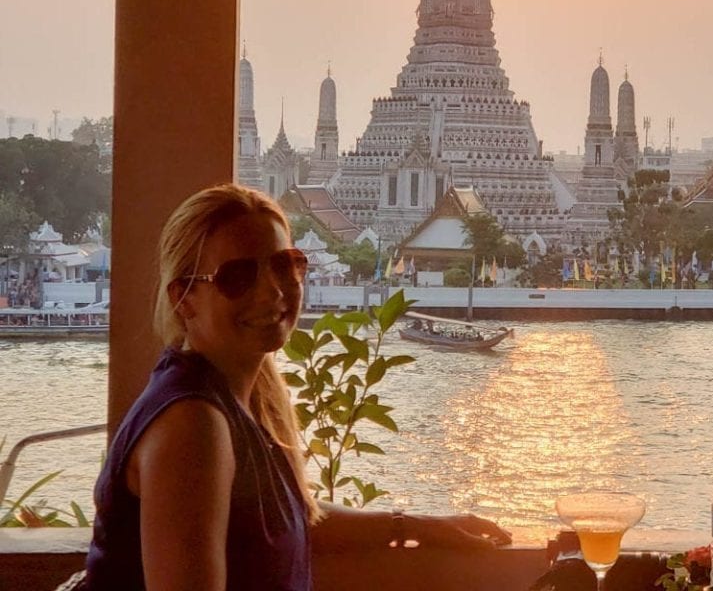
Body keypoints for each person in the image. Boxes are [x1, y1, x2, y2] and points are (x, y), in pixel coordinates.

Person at [83, 184, 509, 591]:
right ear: (185, 299)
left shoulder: (239, 397)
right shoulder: (193, 425)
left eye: (285, 265)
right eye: (238, 276)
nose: (272, 291)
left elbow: (285, 520)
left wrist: (411, 525)